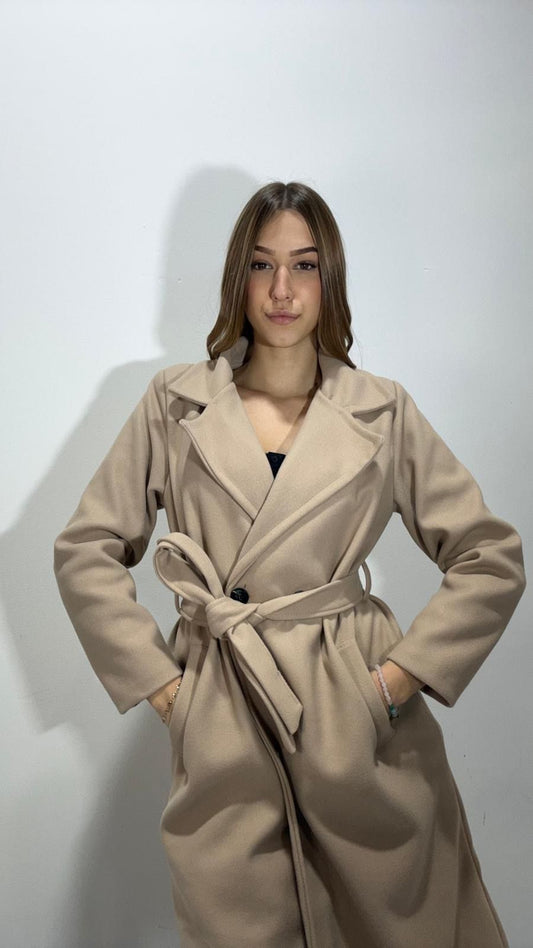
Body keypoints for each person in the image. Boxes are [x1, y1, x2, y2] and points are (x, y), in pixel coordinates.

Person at [53, 181, 526, 948]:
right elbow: (86, 548)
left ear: (327, 279)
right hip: (226, 712)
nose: (281, 289)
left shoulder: (381, 408)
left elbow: (488, 554)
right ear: (236, 276)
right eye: (261, 264)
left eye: (303, 265)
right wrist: (171, 691)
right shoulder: (173, 404)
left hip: (353, 725)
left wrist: (389, 685)